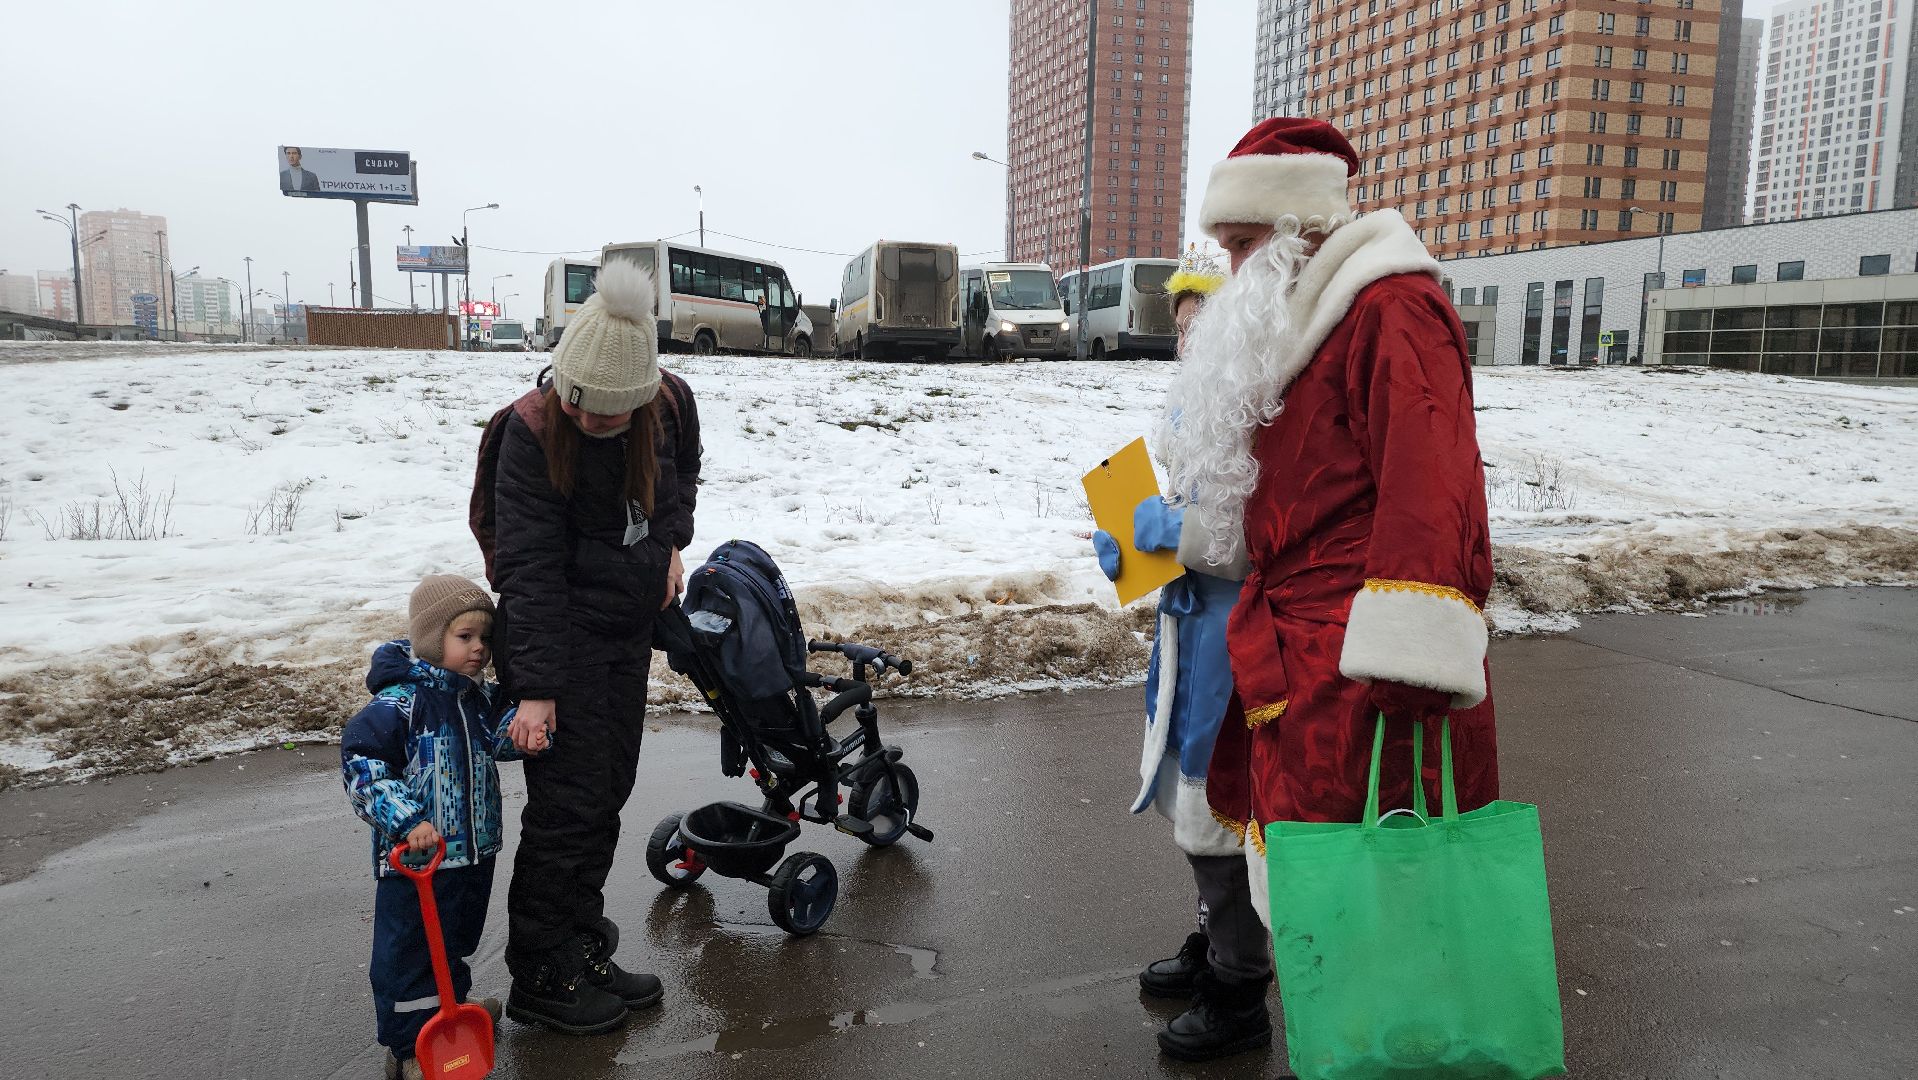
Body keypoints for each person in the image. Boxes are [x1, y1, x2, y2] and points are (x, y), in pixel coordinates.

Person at [1162, 116, 1501, 1047]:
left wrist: (1407, 675)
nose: (1229, 274)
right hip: (1293, 666)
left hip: (1371, 681)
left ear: (1296, 230)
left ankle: (1388, 1053)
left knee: (1378, 904)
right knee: (1316, 897)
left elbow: (1435, 497)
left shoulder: (1392, 309)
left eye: (1239, 247)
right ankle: (1336, 1043)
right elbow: (1292, 506)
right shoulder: (1307, 325)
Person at [491, 258, 701, 1035]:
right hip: (558, 638)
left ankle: (582, 947)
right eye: (585, 412)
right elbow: (529, 570)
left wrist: (672, 545)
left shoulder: (669, 404)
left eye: (613, 417)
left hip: (623, 633)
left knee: (607, 791)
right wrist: (538, 690)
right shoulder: (532, 432)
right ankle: (541, 974)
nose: (595, 425)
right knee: (567, 809)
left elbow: (680, 480)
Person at [1092, 247, 1276, 1063]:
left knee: (1222, 807)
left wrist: (1173, 535)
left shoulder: (1264, 406)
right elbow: (1194, 508)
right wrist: (1134, 541)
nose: (1186, 340)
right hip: (1190, 627)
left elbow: (1249, 540)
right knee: (1190, 798)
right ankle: (1218, 942)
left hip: (1235, 642)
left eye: (1202, 322)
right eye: (1182, 325)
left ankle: (1240, 989)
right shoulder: (1206, 407)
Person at [341, 575, 522, 1080]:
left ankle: (451, 1011)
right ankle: (406, 1044)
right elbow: (364, 767)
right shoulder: (400, 703)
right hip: (418, 861)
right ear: (430, 638)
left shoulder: (475, 697)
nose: (479, 649)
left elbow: (495, 742)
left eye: (485, 639)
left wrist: (524, 734)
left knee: (454, 940)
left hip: (474, 853)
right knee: (409, 953)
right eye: (465, 637)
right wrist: (407, 821)